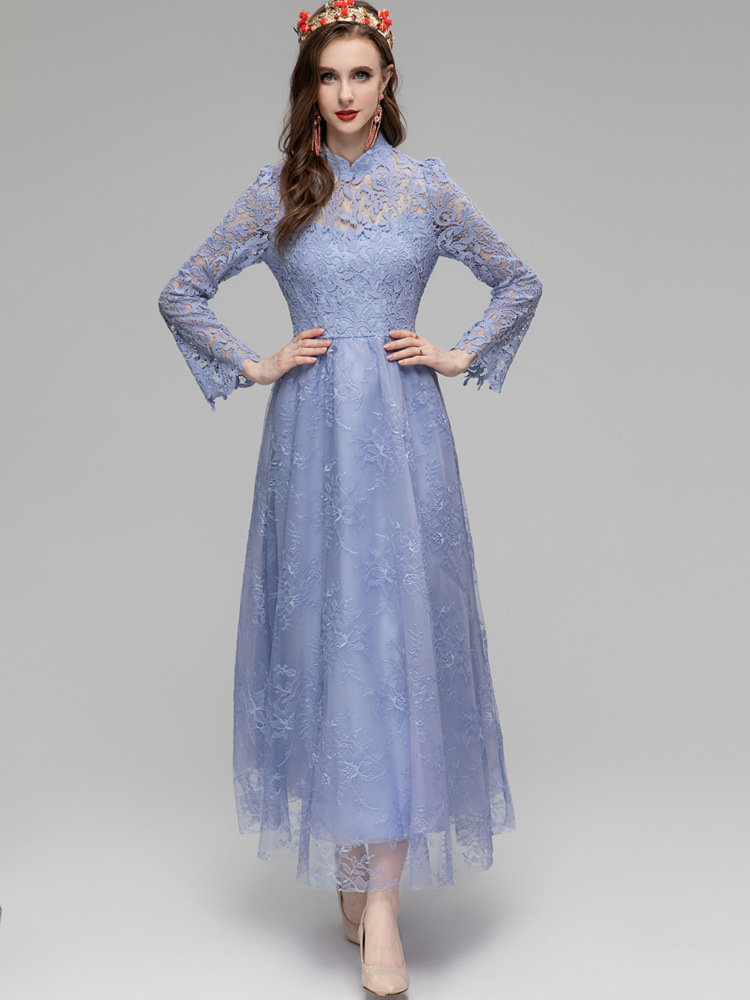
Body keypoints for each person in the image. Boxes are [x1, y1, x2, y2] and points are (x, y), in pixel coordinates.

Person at [157, 3, 543, 994]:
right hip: (310, 444)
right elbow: (182, 291)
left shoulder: (427, 186)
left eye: (361, 74)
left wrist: (457, 352)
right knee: (329, 639)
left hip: (407, 445)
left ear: (387, 83)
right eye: (328, 76)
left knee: (395, 643)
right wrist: (257, 362)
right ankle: (350, 851)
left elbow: (517, 280)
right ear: (310, 88)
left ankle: (381, 911)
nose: (345, 93)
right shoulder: (279, 190)